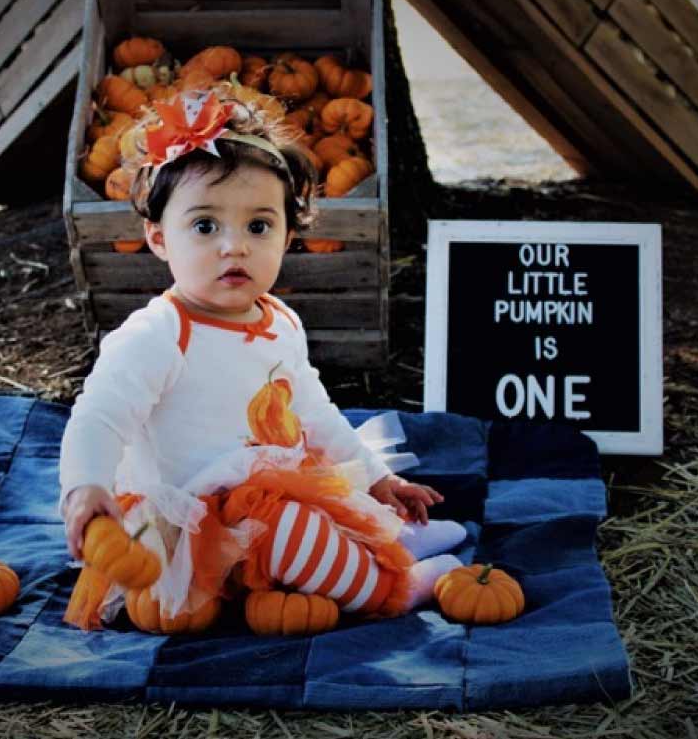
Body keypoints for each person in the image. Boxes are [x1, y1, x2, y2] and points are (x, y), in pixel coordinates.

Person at [60, 86, 464, 629]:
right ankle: (386, 587)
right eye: (205, 226)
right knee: (288, 529)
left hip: (272, 488)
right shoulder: (158, 333)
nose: (235, 246)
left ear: (289, 234)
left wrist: (375, 479)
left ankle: (382, 535)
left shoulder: (280, 320)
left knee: (322, 488)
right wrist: (87, 484)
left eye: (259, 225)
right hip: (196, 523)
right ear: (158, 238)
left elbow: (314, 412)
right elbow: (99, 415)